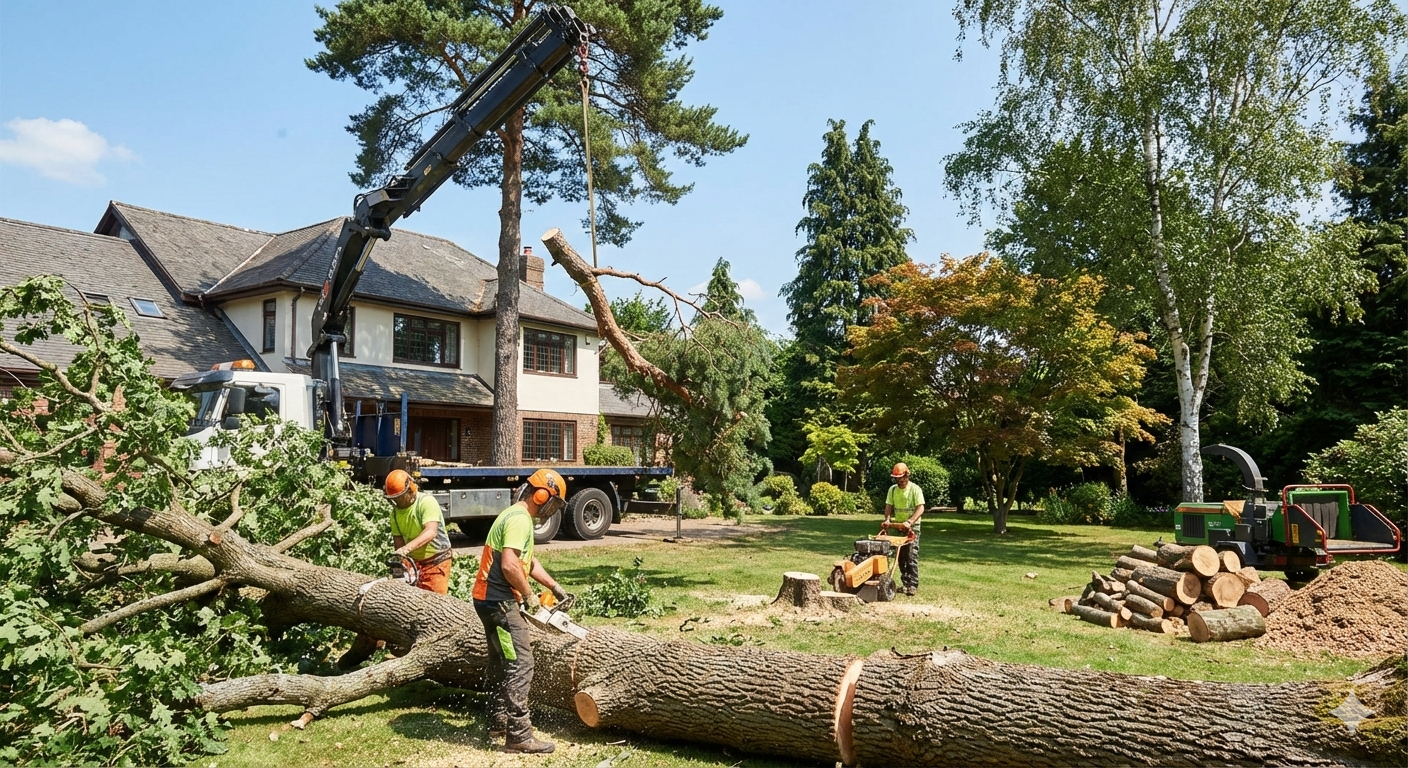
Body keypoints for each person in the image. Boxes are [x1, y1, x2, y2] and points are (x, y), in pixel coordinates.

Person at [472, 468, 571, 754]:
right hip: (500, 602)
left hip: (487, 600)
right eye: (554, 503)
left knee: (502, 659)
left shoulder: (515, 516)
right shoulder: (519, 519)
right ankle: (518, 734)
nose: (552, 510)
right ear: (541, 496)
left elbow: (527, 561)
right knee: (522, 662)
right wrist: (528, 596)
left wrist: (554, 586)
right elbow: (509, 565)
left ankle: (497, 719)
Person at [385, 469, 453, 594]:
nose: (398, 501)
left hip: (436, 561)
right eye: (395, 498)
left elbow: (431, 531)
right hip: (414, 562)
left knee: (433, 601)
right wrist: (401, 562)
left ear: (410, 489)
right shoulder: (394, 514)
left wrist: (406, 549)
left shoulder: (426, 502)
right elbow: (398, 543)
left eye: (400, 497)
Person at [883, 462, 925, 596]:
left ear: (907, 475)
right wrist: (887, 519)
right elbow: (888, 506)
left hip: (912, 527)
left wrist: (910, 521)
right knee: (900, 557)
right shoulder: (892, 490)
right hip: (898, 527)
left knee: (911, 556)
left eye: (901, 478)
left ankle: (913, 585)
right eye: (897, 479)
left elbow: (921, 508)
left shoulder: (915, 489)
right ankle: (905, 583)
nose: (899, 481)